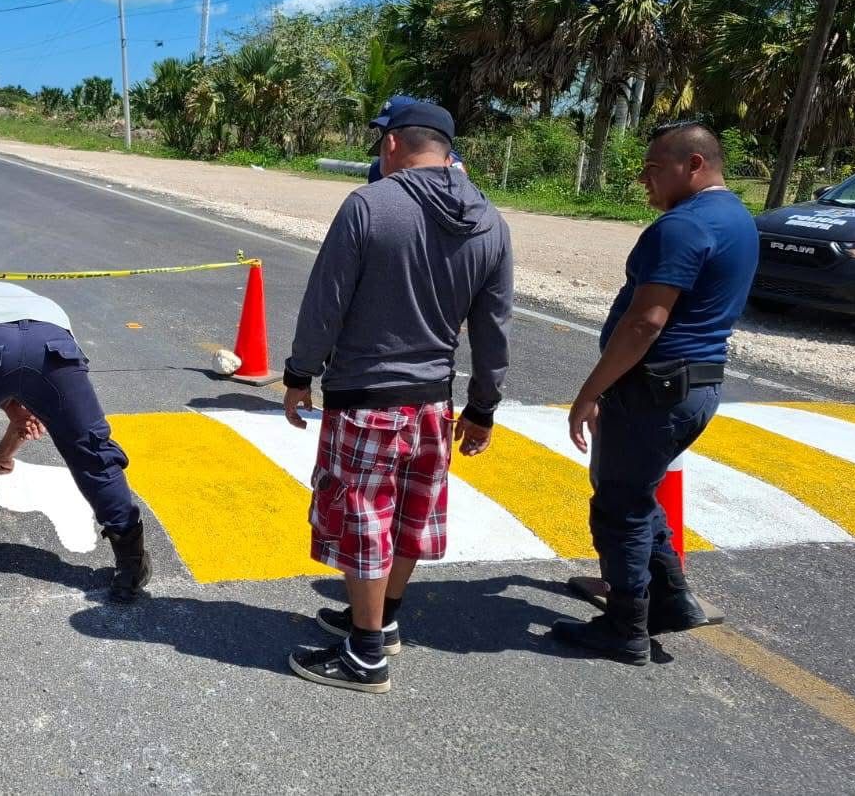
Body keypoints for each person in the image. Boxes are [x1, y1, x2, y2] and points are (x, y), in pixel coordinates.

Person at [281, 100, 513, 694]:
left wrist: (300, 373)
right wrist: (483, 406)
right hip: (434, 402)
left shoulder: (369, 205)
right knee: (409, 514)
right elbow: (493, 328)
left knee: (364, 520)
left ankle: (364, 656)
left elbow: (325, 303)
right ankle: (381, 621)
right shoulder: (491, 222)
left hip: (366, 398)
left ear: (391, 144)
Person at [554, 121, 757, 664]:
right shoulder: (737, 217)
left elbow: (646, 322)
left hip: (654, 389)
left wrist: (590, 392)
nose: (645, 181)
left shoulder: (683, 227)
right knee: (639, 494)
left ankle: (625, 628)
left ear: (694, 165)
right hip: (697, 384)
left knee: (619, 506)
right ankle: (670, 601)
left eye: (653, 169)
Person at [0, 278, 150, 603]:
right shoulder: (29, 297)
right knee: (91, 448)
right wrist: (17, 412)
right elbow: (26, 366)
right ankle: (130, 565)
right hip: (50, 341)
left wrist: (0, 401)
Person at [367, 96, 465, 184]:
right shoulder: (377, 168)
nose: (387, 134)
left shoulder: (446, 159)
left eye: (394, 126)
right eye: (383, 129)